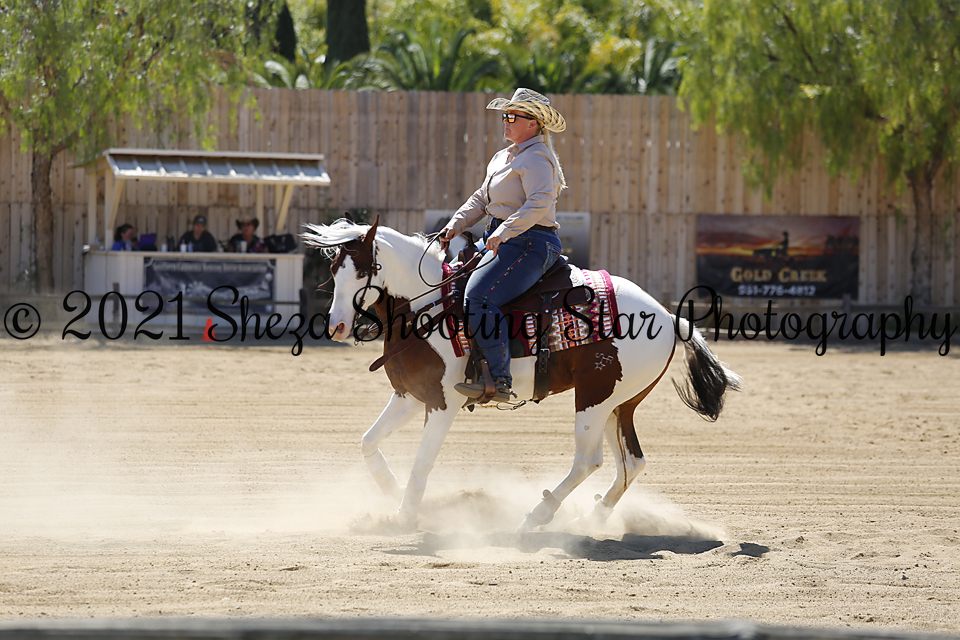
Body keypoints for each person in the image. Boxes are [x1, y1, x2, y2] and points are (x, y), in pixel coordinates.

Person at [439, 88, 566, 403]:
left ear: (533, 123)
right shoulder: (503, 156)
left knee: (478, 297)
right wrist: (456, 224)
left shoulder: (537, 157)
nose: (506, 121)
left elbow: (539, 203)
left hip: (530, 242)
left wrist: (504, 231)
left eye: (512, 116)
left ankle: (499, 380)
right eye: (505, 116)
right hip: (503, 240)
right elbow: (481, 198)